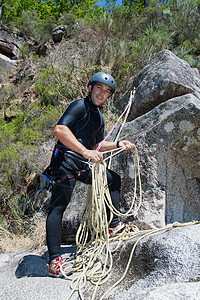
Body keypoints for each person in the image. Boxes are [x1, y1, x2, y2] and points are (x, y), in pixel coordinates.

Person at [44, 72, 135, 277]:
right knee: (59, 207)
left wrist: (120, 144)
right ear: (90, 88)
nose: (102, 94)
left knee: (113, 179)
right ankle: (54, 261)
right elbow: (60, 129)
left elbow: (97, 145)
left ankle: (112, 226)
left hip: (80, 164)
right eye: (99, 88)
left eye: (107, 92)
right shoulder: (79, 106)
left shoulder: (99, 118)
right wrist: (85, 152)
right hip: (65, 161)